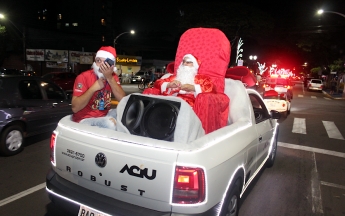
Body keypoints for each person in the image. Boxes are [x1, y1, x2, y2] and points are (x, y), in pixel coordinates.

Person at [71, 46, 126, 130]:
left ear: (112, 65)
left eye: (105, 62)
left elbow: (123, 100)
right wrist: (93, 88)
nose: (101, 65)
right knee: (109, 124)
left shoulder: (113, 77)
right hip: (84, 119)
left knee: (125, 113)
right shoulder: (83, 77)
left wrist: (110, 78)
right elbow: (75, 108)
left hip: (104, 114)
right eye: (98, 61)